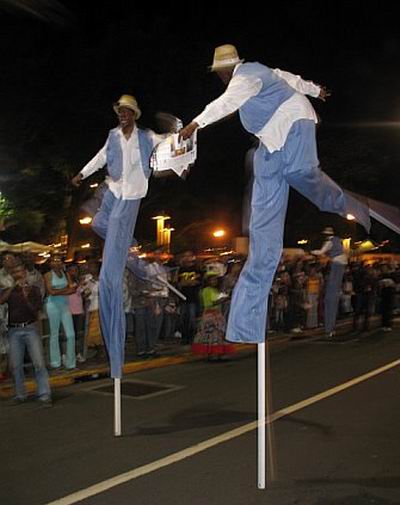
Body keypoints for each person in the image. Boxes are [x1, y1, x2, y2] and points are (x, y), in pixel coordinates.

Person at [179, 44, 370, 344]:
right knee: (262, 235)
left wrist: (195, 124)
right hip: (270, 145)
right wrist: (314, 90)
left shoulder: (245, 76)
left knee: (300, 172)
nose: (221, 78)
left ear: (226, 70)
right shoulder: (264, 73)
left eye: (220, 73)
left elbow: (225, 103)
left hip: (295, 124)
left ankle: (340, 199)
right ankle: (245, 325)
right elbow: (290, 77)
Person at [71, 94, 165, 377]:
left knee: (112, 252)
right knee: (98, 222)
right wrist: (81, 174)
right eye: (119, 111)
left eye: (126, 112)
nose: (122, 115)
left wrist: (181, 134)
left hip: (132, 194)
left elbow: (166, 143)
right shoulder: (113, 135)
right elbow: (100, 158)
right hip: (113, 188)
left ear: (134, 115)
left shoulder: (146, 136)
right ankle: (127, 244)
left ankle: (124, 246)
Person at [0, 263, 51, 406]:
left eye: (20, 271)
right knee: (16, 365)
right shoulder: (8, 291)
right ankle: (20, 394)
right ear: (12, 274)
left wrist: (25, 294)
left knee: (39, 363)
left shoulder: (33, 290)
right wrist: (12, 287)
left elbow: (36, 311)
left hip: (30, 328)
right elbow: (1, 301)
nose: (18, 274)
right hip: (14, 330)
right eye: (15, 272)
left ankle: (44, 394)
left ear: (25, 273)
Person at [312, 227, 348, 337]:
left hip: (337, 264)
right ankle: (330, 327)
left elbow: (321, 252)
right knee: (333, 293)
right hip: (342, 263)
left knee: (331, 295)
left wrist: (311, 252)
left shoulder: (329, 242)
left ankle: (329, 328)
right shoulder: (338, 240)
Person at [44, 255, 77, 370]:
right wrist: (65, 290)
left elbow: (73, 289)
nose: (57, 262)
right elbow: (50, 292)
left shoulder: (66, 274)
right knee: (54, 334)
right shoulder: (48, 275)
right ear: (50, 263)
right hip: (52, 305)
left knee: (71, 334)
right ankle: (55, 362)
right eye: (54, 261)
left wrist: (59, 291)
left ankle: (71, 363)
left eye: (59, 260)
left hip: (64, 305)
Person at [192, 271, 234, 360]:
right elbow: (209, 303)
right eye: (212, 280)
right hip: (210, 314)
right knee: (211, 334)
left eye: (215, 279)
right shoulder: (206, 291)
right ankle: (212, 353)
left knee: (219, 334)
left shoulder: (215, 290)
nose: (214, 281)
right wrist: (223, 299)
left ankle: (218, 352)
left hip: (217, 313)